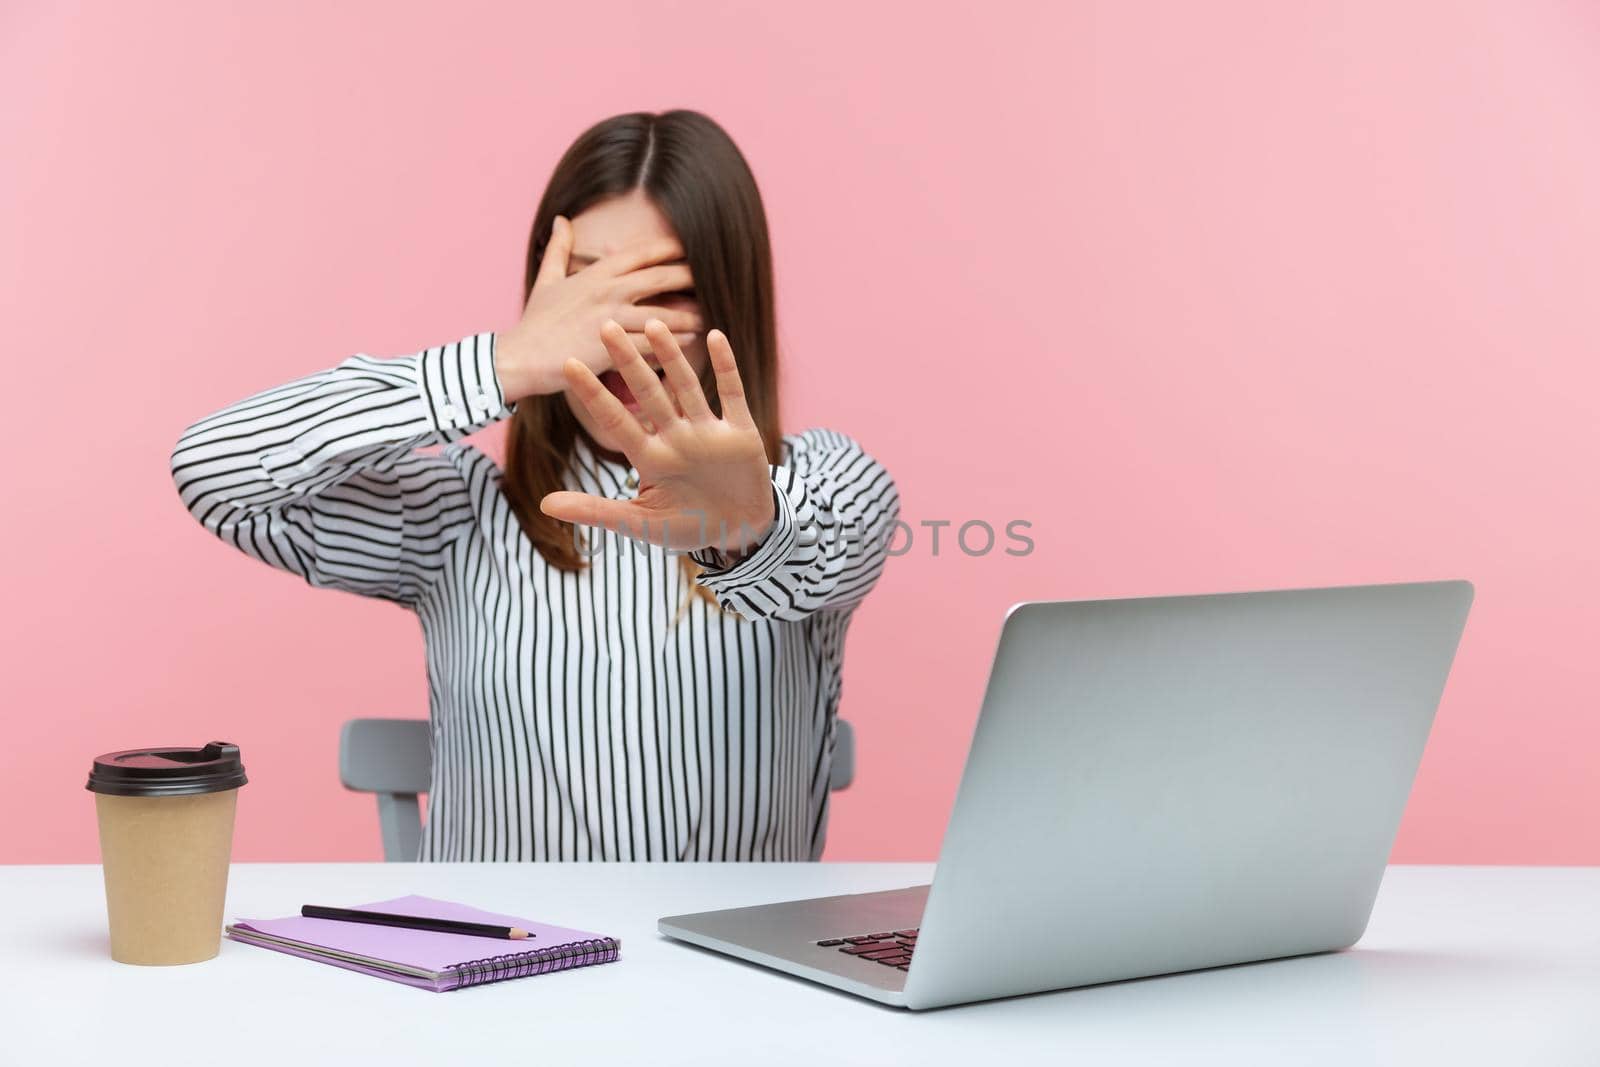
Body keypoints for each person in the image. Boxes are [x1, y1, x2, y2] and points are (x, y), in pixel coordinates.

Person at [169, 110, 900, 862]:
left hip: (724, 975)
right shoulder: (455, 514)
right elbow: (216, 467)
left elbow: (826, 538)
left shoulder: (823, 480)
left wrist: (747, 525)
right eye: (586, 289)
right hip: (501, 973)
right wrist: (505, 362)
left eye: (659, 288)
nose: (616, 329)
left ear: (728, 298)